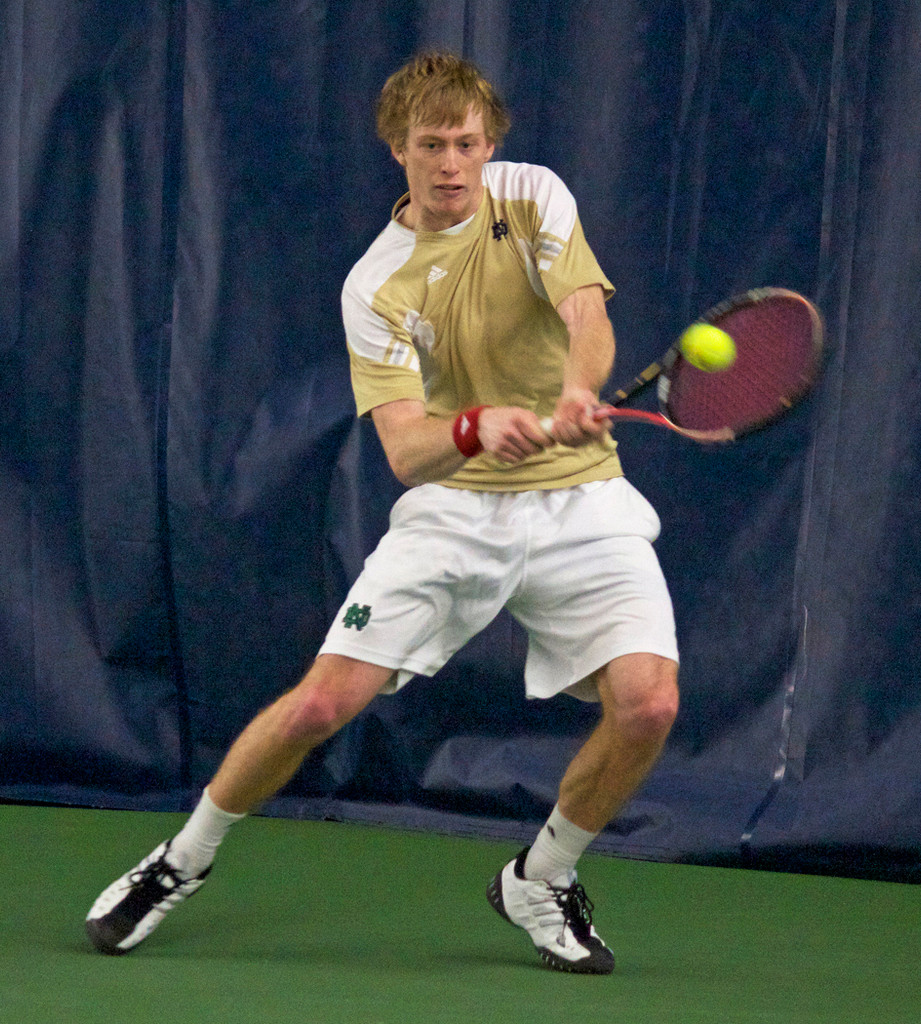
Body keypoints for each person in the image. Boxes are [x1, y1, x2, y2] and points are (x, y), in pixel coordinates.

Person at [85, 51, 679, 975]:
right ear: (395, 149)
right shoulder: (376, 284)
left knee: (647, 706)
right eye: (431, 145)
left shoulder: (531, 196)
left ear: (492, 146)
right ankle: (182, 859)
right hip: (455, 514)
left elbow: (584, 318)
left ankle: (540, 875)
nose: (452, 163)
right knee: (321, 702)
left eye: (468, 144)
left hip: (582, 501)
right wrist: (481, 427)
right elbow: (407, 452)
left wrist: (572, 390)